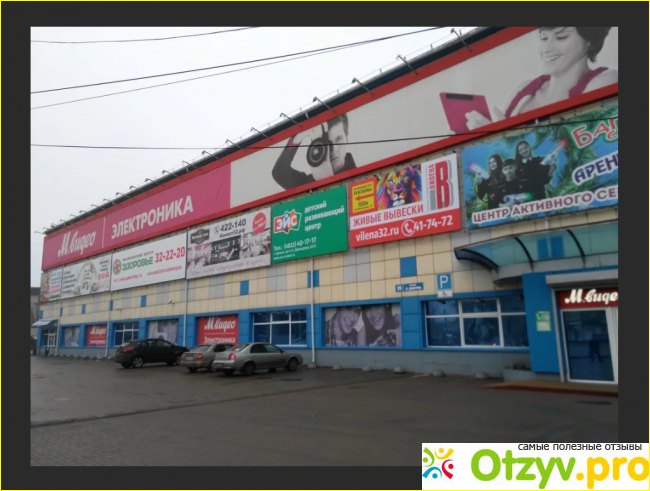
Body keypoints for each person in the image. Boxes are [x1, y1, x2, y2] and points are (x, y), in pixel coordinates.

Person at [465, 27, 617, 129]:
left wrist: (500, 138)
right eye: (544, 38)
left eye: (561, 37)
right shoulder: (523, 88)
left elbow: (579, 145)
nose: (547, 49)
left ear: (589, 41)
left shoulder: (605, 80)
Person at [272, 114, 357, 190]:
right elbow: (279, 173)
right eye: (328, 143)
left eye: (339, 139)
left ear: (346, 139)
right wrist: (296, 139)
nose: (334, 149)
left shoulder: (359, 177)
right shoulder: (311, 181)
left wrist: (327, 181)